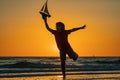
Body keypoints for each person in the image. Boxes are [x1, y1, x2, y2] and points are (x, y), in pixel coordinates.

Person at [41, 14, 86, 80]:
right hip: (61, 50)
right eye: (57, 26)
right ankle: (64, 75)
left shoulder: (65, 32)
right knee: (62, 62)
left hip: (68, 48)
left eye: (59, 26)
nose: (57, 27)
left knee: (73, 57)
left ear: (62, 26)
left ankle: (75, 55)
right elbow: (48, 28)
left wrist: (81, 28)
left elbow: (73, 29)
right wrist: (45, 20)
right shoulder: (55, 32)